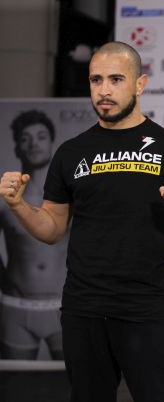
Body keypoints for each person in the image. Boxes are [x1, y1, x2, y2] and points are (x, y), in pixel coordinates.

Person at [0, 42, 164, 402]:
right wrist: (18, 205)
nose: (104, 89)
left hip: (145, 307)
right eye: (96, 80)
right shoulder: (71, 152)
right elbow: (52, 229)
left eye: (116, 79)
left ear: (140, 84)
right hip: (84, 308)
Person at [0, 110, 66, 360]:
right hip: (16, 307)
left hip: (65, 305)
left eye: (41, 136)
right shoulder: (4, 198)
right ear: (17, 148)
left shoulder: (71, 195)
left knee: (73, 381)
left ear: (51, 144)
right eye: (25, 138)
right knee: (14, 382)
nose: (33, 143)